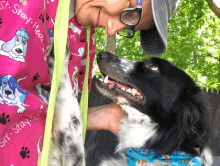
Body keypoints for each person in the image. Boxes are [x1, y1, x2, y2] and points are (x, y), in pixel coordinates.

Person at [0, 0, 179, 165]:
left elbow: (30, 110)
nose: (111, 29)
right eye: (130, 11)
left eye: (129, 27)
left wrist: (101, 116)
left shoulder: (83, 34)